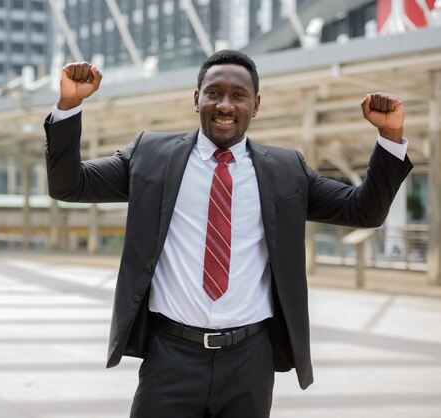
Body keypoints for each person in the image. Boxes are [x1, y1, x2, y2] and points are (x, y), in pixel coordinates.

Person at [43, 50, 412, 418]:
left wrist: (390, 134)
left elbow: (364, 210)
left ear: (256, 105)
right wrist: (69, 104)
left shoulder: (287, 171)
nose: (225, 105)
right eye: (214, 93)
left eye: (239, 96)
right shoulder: (151, 156)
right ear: (196, 98)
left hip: (248, 361)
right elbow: (70, 185)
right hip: (170, 356)